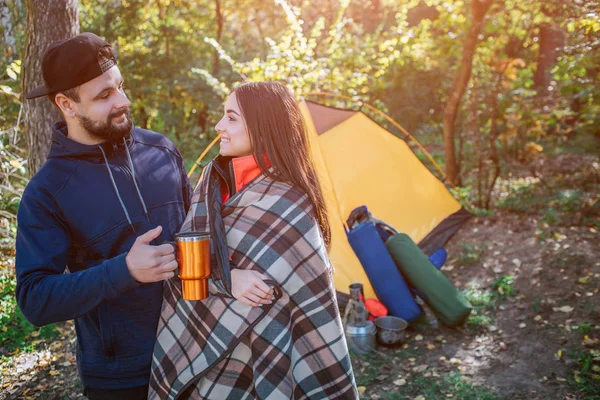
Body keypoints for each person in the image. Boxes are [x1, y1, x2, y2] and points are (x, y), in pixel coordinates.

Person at [149, 81, 358, 399]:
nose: (219, 126)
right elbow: (189, 252)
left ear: (263, 128)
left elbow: (304, 296)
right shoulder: (212, 180)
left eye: (231, 118)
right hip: (206, 328)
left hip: (263, 345)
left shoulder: (289, 198)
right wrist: (226, 279)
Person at [15, 32, 192, 399]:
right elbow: (35, 299)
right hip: (122, 379)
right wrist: (122, 271)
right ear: (66, 104)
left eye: (120, 87)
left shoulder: (162, 150)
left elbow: (199, 232)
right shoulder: (46, 192)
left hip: (198, 351)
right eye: (104, 95)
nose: (123, 101)